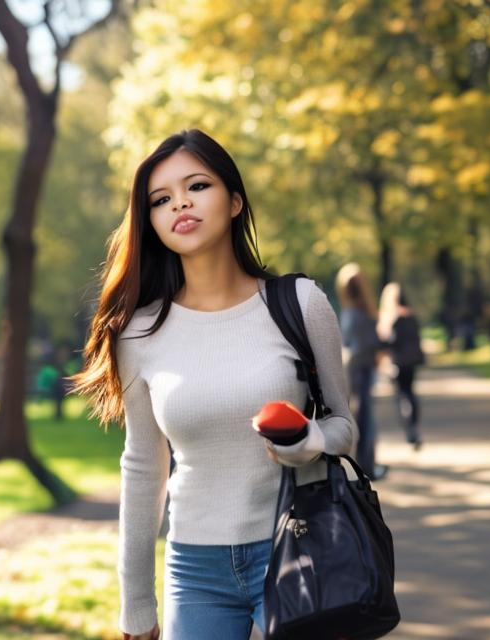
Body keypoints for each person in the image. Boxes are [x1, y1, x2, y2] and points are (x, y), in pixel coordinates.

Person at [67, 129, 357, 640]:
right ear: (152, 221)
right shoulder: (138, 332)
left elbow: (343, 426)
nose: (180, 202)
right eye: (161, 199)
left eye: (197, 186)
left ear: (235, 201)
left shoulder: (301, 304)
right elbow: (142, 465)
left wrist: (310, 443)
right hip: (195, 570)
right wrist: (135, 601)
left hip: (296, 546)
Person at [335, 263, 388, 481]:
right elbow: (371, 343)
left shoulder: (348, 312)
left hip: (355, 367)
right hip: (361, 368)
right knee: (365, 418)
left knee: (360, 417)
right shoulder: (361, 313)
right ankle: (366, 465)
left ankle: (363, 464)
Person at [377, 282, 424, 450]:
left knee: (402, 396)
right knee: (410, 392)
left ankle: (410, 431)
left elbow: (389, 342)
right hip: (411, 361)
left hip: (397, 362)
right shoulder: (410, 315)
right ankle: (414, 427)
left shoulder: (391, 318)